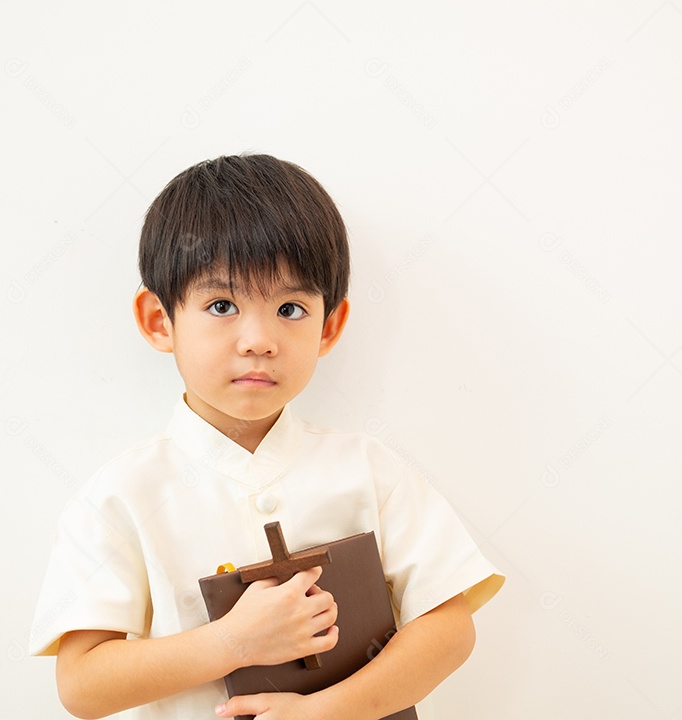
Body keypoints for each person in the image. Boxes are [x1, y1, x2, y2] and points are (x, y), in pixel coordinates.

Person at [28, 153, 505, 719]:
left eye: (290, 308)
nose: (258, 339)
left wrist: (327, 713)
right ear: (160, 321)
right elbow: (82, 684)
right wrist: (233, 642)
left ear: (329, 327)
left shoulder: (369, 469)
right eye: (222, 305)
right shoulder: (120, 496)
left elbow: (449, 627)